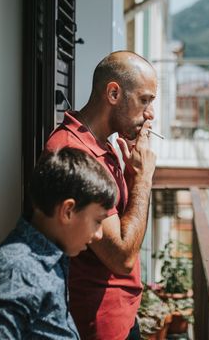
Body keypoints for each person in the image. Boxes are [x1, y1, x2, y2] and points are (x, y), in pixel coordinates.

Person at [44, 51, 158, 340]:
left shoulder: (100, 145)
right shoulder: (73, 152)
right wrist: (144, 180)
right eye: (145, 100)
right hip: (100, 325)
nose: (150, 114)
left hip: (121, 314)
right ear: (113, 92)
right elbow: (120, 257)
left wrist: (133, 175)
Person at [0, 147, 117, 339]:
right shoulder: (17, 272)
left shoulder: (51, 257)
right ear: (67, 211)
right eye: (98, 221)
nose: (99, 234)